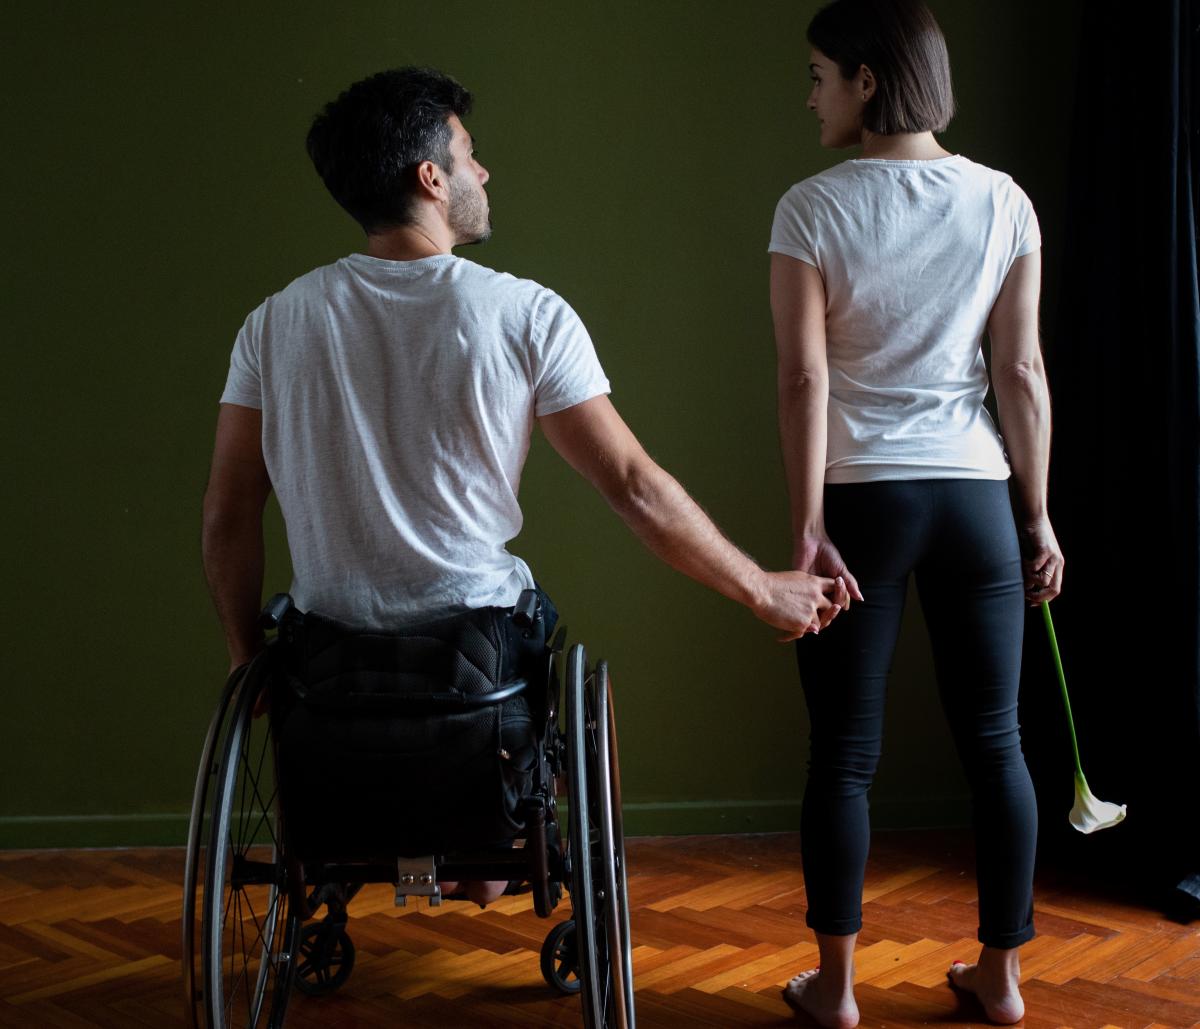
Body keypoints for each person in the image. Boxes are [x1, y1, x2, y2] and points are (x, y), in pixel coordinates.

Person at [202, 67, 849, 906]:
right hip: (479, 668)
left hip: (329, 676)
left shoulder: (274, 323)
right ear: (429, 179)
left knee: (325, 689)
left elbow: (228, 515)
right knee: (565, 679)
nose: (484, 173)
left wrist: (245, 657)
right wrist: (760, 587)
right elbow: (633, 486)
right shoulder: (524, 314)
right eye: (470, 155)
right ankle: (501, 861)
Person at [768, 2, 1064, 1026]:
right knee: (997, 742)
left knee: (844, 752)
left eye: (817, 74)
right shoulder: (1005, 200)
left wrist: (806, 529)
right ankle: (1003, 980)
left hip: (862, 502)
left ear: (864, 78)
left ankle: (838, 992)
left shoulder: (811, 207)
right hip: (978, 496)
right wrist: (1039, 516)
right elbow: (1019, 372)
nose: (809, 94)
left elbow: (805, 380)